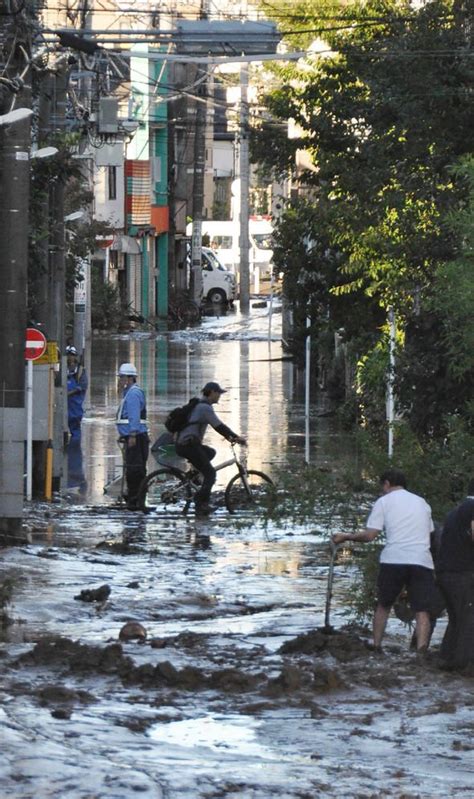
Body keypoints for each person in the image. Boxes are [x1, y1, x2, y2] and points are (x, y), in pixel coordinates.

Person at [332, 467, 435, 653]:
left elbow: (370, 535)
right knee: (422, 610)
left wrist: (347, 536)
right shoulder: (422, 503)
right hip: (421, 560)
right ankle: (421, 652)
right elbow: (429, 533)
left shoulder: (384, 502)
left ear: (387, 484)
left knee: (383, 605)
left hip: (394, 559)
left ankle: (377, 646)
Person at [175, 381, 246, 515]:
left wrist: (231, 437)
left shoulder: (201, 405)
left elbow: (219, 427)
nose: (219, 396)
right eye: (218, 393)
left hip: (187, 444)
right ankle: (201, 503)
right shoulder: (205, 408)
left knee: (210, 452)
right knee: (211, 474)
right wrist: (236, 437)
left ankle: (194, 475)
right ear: (212, 393)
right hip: (187, 445)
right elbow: (219, 426)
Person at [436, 478, 474, 672]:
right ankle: (464, 662)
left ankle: (447, 657)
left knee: (456, 617)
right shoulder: (472, 506)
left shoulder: (455, 511)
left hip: (445, 572)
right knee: (469, 617)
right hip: (462, 573)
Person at [116, 363, 149, 511]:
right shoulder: (129, 392)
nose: (120, 380)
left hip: (136, 436)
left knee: (135, 469)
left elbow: (134, 415)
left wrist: (132, 435)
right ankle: (134, 496)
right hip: (132, 435)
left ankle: (136, 499)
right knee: (133, 468)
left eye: (122, 377)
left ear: (129, 378)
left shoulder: (134, 394)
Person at [66, 345, 88, 438]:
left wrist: (70, 393)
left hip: (75, 409)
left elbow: (83, 386)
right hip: (63, 407)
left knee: (75, 433)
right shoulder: (61, 369)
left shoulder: (80, 371)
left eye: (72, 355)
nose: (70, 357)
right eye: (68, 355)